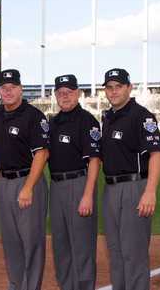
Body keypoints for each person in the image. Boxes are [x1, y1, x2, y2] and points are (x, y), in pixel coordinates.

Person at [0, 69, 49, 290]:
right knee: (11, 242)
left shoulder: (34, 116)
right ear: (0, 91)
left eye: (12, 87)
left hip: (28, 181)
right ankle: (16, 285)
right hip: (6, 184)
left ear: (20, 89)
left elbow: (42, 153)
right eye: (4, 88)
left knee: (31, 242)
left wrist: (28, 187)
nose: (8, 92)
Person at [101, 68, 160, 290]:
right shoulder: (107, 117)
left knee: (134, 254)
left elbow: (156, 154)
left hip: (134, 188)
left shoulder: (142, 116)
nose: (113, 91)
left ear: (129, 87)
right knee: (116, 253)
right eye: (109, 87)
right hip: (110, 189)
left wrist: (150, 191)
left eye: (118, 86)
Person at [48, 74, 100, 290]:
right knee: (61, 246)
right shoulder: (52, 122)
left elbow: (95, 160)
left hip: (79, 184)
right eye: (60, 92)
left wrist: (88, 195)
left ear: (78, 93)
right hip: (56, 187)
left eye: (69, 92)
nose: (64, 96)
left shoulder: (87, 120)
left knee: (82, 246)